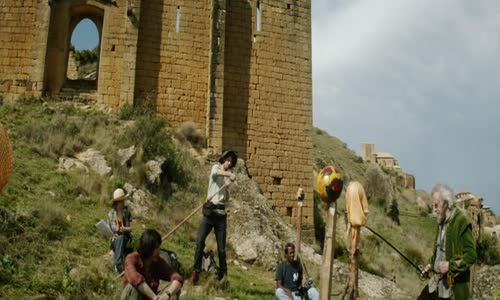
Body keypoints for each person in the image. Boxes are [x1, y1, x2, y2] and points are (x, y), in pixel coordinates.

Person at [418, 184, 477, 300]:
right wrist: (430, 265)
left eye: (436, 205)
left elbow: (472, 256)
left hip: (452, 289)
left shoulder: (462, 222)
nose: (434, 209)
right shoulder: (441, 220)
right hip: (436, 283)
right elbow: (440, 251)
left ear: (445, 204)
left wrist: (451, 265)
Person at [187, 150, 238, 284]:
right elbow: (216, 173)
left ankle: (223, 276)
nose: (229, 163)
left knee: (221, 248)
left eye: (231, 162)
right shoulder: (215, 167)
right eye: (228, 160)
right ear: (224, 159)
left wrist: (227, 187)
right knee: (200, 242)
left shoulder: (226, 178)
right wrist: (229, 174)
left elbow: (226, 198)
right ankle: (196, 272)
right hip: (210, 212)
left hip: (221, 215)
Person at [121, 229, 183, 300]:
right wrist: (154, 297)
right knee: (132, 288)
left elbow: (177, 278)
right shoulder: (131, 258)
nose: (159, 251)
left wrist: (167, 294)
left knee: (174, 289)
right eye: (156, 248)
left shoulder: (158, 262)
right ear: (148, 248)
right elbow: (135, 278)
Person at [109, 188, 133, 273]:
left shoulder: (126, 213)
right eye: (120, 201)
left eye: (122, 201)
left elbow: (131, 228)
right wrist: (117, 230)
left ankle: (117, 264)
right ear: (116, 203)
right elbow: (112, 228)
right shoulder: (111, 213)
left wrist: (125, 228)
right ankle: (118, 264)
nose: (122, 203)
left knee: (122, 238)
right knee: (120, 238)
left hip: (126, 238)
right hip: (115, 239)